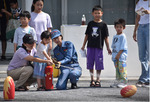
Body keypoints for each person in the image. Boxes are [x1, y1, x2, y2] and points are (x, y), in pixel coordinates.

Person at [81, 5, 111, 87]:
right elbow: (87, 35)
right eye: (95, 13)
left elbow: (106, 37)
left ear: (102, 13)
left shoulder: (104, 25)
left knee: (99, 63)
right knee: (90, 63)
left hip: (99, 47)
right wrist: (83, 45)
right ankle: (92, 79)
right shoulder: (90, 24)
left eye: (99, 13)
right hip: (90, 46)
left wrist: (108, 48)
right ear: (92, 14)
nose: (97, 14)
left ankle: (98, 79)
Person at [133, 0, 150, 87]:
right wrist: (135, 31)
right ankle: (143, 78)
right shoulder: (138, 2)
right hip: (141, 27)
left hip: (149, 26)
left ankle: (148, 78)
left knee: (149, 55)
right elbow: (138, 17)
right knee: (142, 55)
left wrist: (148, 12)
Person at [110, 19, 128, 88]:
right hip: (115, 57)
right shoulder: (115, 36)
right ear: (115, 27)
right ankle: (118, 81)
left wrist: (118, 55)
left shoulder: (123, 36)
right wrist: (113, 54)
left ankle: (123, 82)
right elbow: (114, 46)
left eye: (120, 27)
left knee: (122, 69)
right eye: (117, 27)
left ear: (124, 27)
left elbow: (123, 47)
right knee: (117, 70)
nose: (118, 28)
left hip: (121, 57)